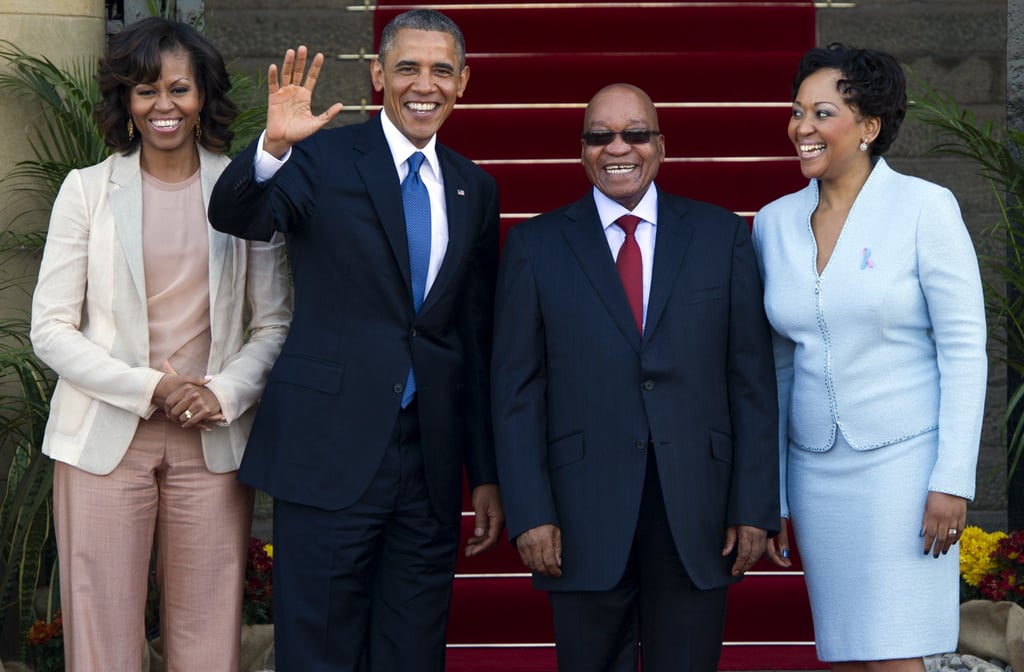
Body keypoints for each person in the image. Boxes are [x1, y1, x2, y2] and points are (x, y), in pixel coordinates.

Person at [207, 9, 504, 672]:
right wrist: (273, 148)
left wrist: (482, 472)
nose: (423, 84)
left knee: (413, 651)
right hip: (328, 450)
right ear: (377, 75)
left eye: (440, 70)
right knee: (319, 651)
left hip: (427, 462)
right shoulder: (321, 157)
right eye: (407, 67)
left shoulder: (475, 187)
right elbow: (237, 215)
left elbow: (473, 335)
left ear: (463, 83)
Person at [29, 17, 292, 671]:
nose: (163, 106)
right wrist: (154, 387)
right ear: (126, 101)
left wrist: (223, 392)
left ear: (203, 94)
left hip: (213, 440)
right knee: (101, 636)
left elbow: (274, 324)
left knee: (207, 635)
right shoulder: (86, 192)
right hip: (102, 439)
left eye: (179, 88)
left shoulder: (244, 191)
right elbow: (51, 329)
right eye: (146, 91)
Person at [491, 83, 780, 672]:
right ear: (581, 151)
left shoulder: (721, 235)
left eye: (634, 133)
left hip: (698, 509)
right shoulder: (534, 246)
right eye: (600, 136)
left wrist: (755, 504)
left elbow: (751, 379)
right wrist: (530, 511)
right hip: (578, 513)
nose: (617, 147)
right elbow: (516, 392)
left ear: (661, 146)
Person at [755, 44, 987, 670]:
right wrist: (771, 490)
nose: (800, 127)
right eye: (796, 111)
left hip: (906, 472)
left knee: (895, 656)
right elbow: (776, 367)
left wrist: (952, 479)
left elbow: (965, 351)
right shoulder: (772, 224)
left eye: (821, 112)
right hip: (815, 474)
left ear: (869, 127)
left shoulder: (924, 208)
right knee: (850, 655)